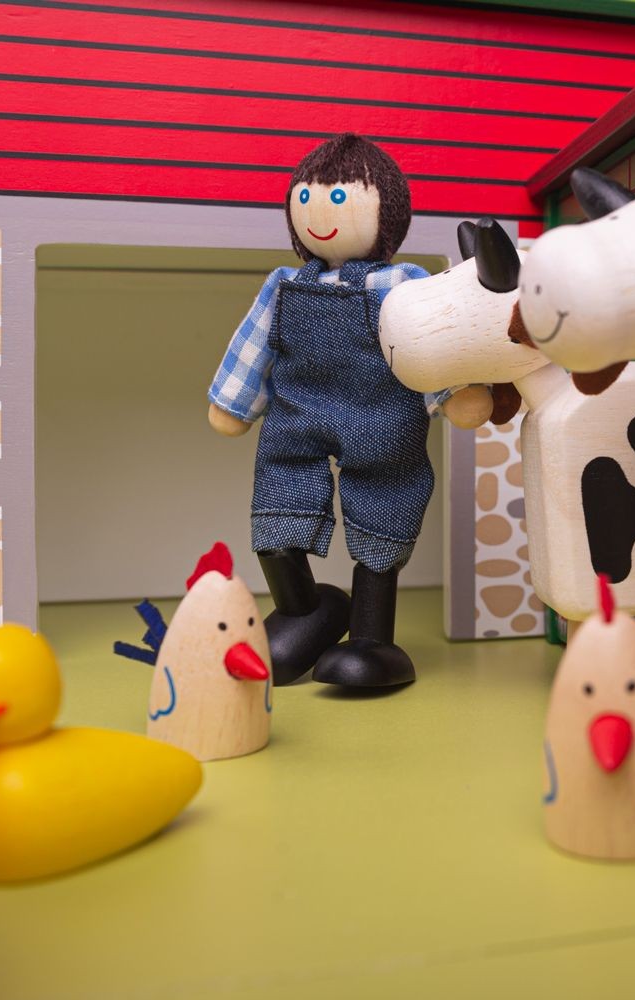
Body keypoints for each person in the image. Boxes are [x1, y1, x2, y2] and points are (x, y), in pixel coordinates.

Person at [207, 134, 434, 689]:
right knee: (277, 512)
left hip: (383, 418)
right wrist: (234, 403)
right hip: (296, 417)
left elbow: (429, 346)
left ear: (387, 211)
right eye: (306, 199)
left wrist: (453, 393)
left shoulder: (401, 284)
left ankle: (372, 639)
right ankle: (302, 610)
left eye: (338, 200)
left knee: (383, 514)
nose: (319, 214)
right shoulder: (283, 285)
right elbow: (254, 344)